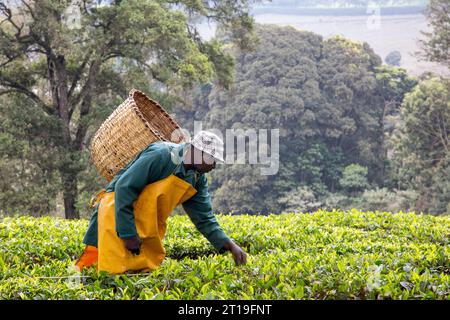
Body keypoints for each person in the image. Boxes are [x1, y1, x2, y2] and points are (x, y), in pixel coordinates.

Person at [75, 131, 247, 274]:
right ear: (197, 152)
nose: (213, 166)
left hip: (146, 222)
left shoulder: (197, 179)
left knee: (139, 273)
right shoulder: (161, 155)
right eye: (211, 160)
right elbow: (124, 187)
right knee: (100, 268)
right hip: (117, 213)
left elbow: (204, 218)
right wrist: (127, 233)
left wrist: (229, 245)